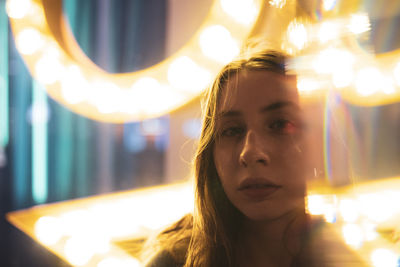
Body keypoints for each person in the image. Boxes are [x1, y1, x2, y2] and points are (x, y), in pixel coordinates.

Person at [141, 48, 367, 267]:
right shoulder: (176, 261)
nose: (250, 152)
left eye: (280, 124)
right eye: (231, 130)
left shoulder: (343, 258)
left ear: (318, 143)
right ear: (210, 155)